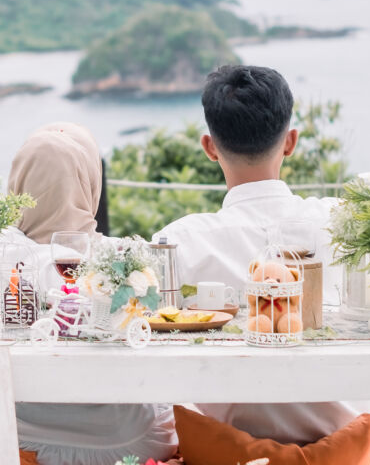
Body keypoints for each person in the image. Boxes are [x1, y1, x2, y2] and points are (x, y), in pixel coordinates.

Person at [152, 65, 358, 445]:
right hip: (346, 447)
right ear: (290, 142)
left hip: (229, 454)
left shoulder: (178, 243)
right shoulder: (341, 223)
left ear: (209, 147)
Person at [3, 122, 178, 465]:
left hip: (24, 445)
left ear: (18, 185)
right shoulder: (125, 260)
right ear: (89, 184)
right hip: (129, 444)